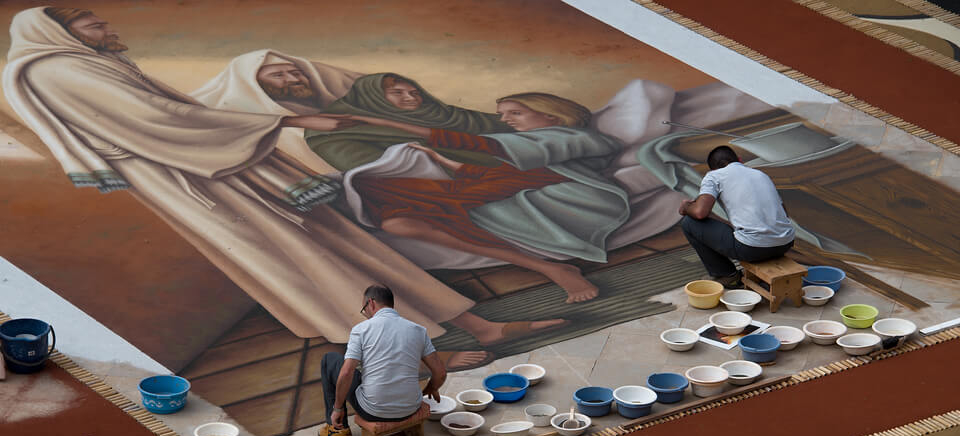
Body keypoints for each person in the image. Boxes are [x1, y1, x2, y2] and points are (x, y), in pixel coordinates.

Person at [3, 8, 563, 372]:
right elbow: (157, 122)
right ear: (60, 31)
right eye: (90, 22)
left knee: (350, 251)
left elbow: (174, 114)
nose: (103, 26)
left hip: (221, 167)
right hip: (197, 178)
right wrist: (287, 122)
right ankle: (411, 361)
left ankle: (479, 324)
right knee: (313, 268)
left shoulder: (81, 63)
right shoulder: (59, 71)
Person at [337, 92, 630, 303]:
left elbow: (479, 148)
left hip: (568, 192)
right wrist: (437, 158)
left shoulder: (577, 137)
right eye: (503, 114)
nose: (506, 120)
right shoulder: (534, 144)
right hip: (507, 186)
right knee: (390, 211)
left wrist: (381, 122)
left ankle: (552, 269)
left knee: (399, 208)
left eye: (515, 112)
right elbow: (495, 173)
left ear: (550, 113)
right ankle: (551, 268)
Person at [190, 49, 362, 174]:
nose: (294, 79)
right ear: (253, 82)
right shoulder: (231, 112)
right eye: (278, 75)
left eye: (297, 73)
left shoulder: (316, 106)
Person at [305, 72, 513, 172]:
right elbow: (377, 168)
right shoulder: (332, 129)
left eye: (415, 92)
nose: (411, 98)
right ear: (372, 97)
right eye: (397, 93)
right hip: (444, 184)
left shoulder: (436, 112)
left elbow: (497, 123)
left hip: (511, 164)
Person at [319, 285, 445, 436]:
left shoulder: (361, 330)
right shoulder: (418, 330)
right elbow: (440, 372)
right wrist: (432, 388)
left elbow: (346, 373)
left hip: (373, 411)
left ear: (370, 303)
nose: (366, 315)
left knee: (330, 360)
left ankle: (337, 429)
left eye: (364, 309)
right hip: (411, 407)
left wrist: (337, 408)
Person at [678, 145, 794, 287]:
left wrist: (686, 207)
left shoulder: (714, 176)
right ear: (739, 160)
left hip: (752, 249)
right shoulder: (761, 174)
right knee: (736, 230)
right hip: (786, 243)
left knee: (689, 223)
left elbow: (700, 212)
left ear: (714, 168)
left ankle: (728, 276)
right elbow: (785, 213)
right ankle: (768, 258)